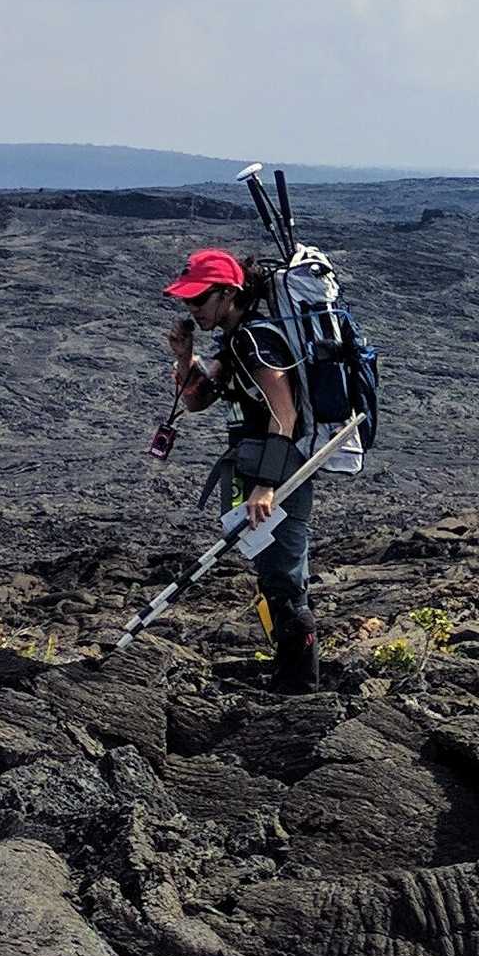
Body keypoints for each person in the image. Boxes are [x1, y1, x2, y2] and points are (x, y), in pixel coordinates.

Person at [162, 246, 321, 691]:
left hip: (278, 472)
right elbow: (195, 400)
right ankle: (287, 677)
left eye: (199, 299)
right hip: (254, 470)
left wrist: (267, 486)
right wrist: (184, 356)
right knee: (274, 575)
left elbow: (284, 415)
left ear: (228, 294)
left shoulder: (258, 341)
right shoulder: (235, 343)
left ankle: (298, 689)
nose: (191, 308)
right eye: (187, 301)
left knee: (286, 579)